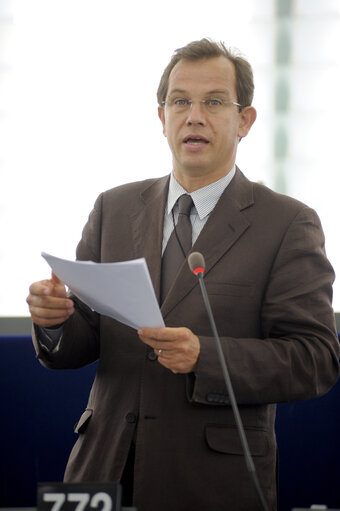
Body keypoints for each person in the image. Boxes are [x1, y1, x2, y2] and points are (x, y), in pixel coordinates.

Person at [27, 38, 340, 511]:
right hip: (102, 469)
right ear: (162, 118)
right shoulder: (113, 207)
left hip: (212, 479)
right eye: (180, 101)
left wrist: (204, 356)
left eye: (214, 101)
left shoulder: (288, 223)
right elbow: (82, 342)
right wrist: (53, 323)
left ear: (245, 121)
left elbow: (314, 359)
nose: (194, 115)